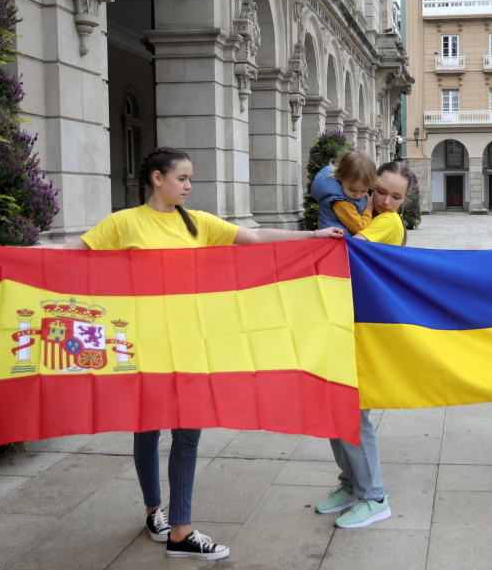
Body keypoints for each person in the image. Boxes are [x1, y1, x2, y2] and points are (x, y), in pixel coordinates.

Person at [40, 147, 344, 560]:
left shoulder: (197, 223)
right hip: (143, 345)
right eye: (182, 178)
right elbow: (73, 251)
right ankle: (155, 512)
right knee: (145, 427)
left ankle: (180, 529)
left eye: (189, 179)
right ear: (157, 178)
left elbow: (254, 238)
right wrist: (9, 256)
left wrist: (313, 236)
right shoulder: (123, 224)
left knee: (188, 432)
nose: (188, 186)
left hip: (191, 344)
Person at [317, 161, 412, 529]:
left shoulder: (386, 223)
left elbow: (348, 249)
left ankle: (373, 496)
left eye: (396, 196)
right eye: (380, 191)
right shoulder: (365, 211)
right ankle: (352, 484)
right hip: (343, 319)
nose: (386, 201)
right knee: (334, 406)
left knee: (353, 411)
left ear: (404, 201)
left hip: (363, 327)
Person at [311, 151, 378, 236]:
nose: (358, 196)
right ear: (341, 177)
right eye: (352, 190)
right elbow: (360, 228)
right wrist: (368, 209)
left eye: (364, 191)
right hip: (337, 244)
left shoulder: (345, 193)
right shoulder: (341, 201)